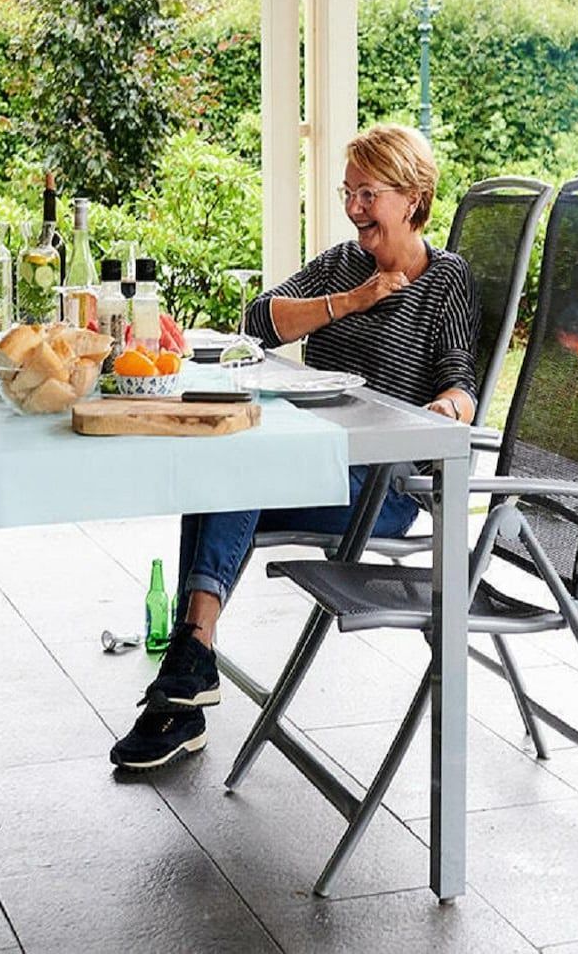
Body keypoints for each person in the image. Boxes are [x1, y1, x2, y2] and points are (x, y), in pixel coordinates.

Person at [108, 123, 481, 771]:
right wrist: (351, 301)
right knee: (217, 473)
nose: (355, 208)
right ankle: (188, 679)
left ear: (413, 196)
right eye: (348, 192)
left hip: (381, 488)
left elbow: (460, 385)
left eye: (369, 194)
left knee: (233, 470)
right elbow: (257, 323)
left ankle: (184, 679)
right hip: (311, 465)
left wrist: (440, 413)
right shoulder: (343, 265)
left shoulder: (445, 278)